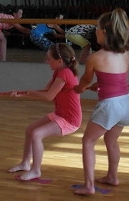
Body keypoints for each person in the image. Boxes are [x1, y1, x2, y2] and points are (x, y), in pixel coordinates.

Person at [74, 8, 129, 196]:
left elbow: (84, 81)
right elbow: (119, 78)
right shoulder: (125, 53)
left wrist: (78, 89)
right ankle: (112, 176)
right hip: (125, 103)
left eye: (97, 29)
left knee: (88, 141)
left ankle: (89, 186)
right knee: (111, 139)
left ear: (105, 32)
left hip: (110, 106)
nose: (95, 32)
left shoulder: (94, 57)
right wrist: (100, 85)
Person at [8, 43, 83, 180]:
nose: (46, 61)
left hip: (69, 120)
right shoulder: (58, 71)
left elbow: (49, 96)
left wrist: (30, 92)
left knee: (36, 134)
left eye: (49, 59)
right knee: (30, 130)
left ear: (60, 61)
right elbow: (46, 91)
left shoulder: (65, 73)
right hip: (60, 114)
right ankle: (25, 163)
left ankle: (36, 170)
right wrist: (21, 94)